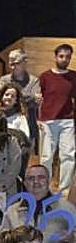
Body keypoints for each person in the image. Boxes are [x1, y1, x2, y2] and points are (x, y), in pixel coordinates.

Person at [38, 43, 76, 191]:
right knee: (46, 156)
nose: (64, 59)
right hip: (47, 120)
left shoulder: (74, 77)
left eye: (68, 57)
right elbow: (37, 98)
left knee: (68, 155)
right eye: (61, 56)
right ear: (55, 57)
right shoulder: (45, 77)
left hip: (67, 120)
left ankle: (64, 190)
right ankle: (43, 187)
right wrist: (38, 119)